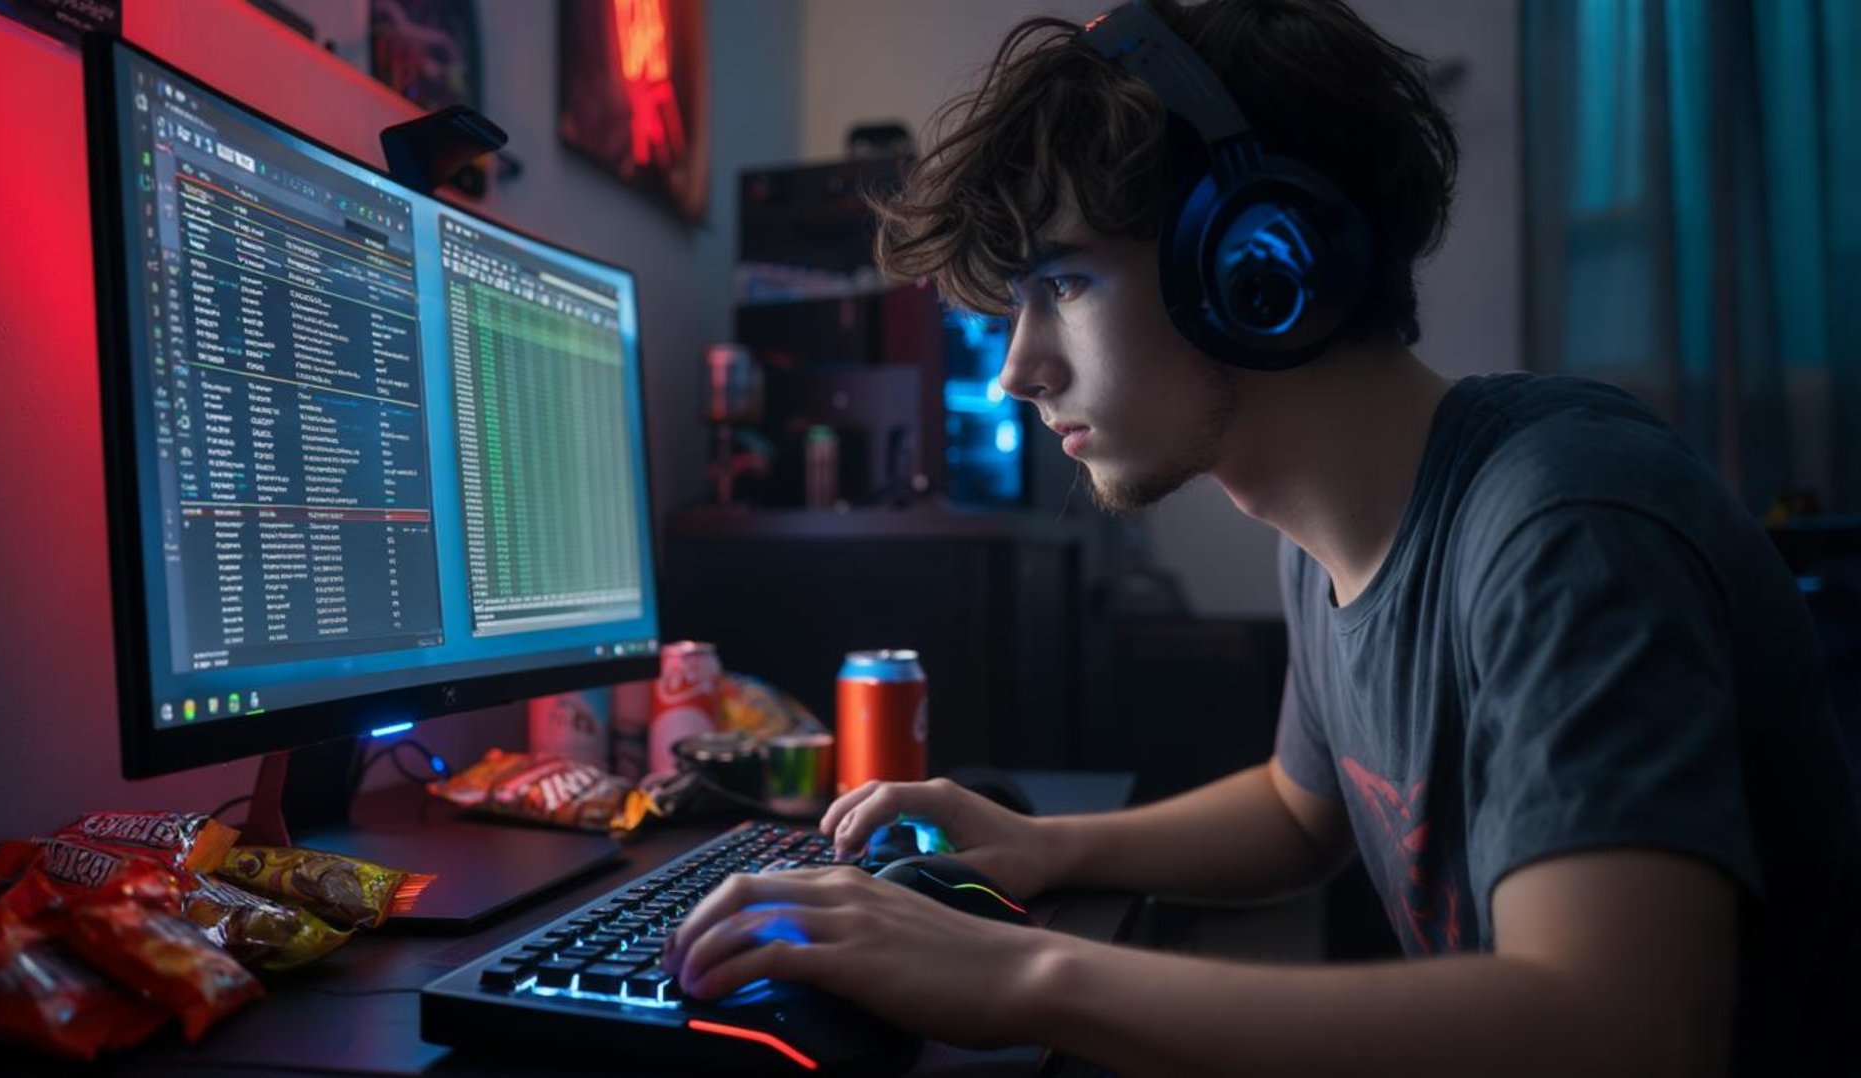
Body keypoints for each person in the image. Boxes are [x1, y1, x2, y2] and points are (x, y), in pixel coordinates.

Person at [662, 1, 1861, 1072]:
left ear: (1254, 260)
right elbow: (1302, 811)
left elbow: (1624, 1030)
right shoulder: (1332, 521)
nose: (1019, 370)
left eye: (1063, 284)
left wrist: (1022, 976)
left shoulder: (1564, 526)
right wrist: (1044, 847)